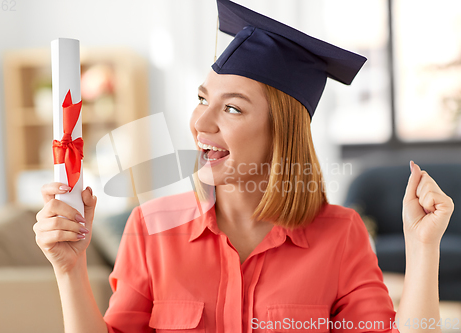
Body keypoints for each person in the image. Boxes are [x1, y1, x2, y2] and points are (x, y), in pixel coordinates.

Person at [34, 1, 454, 332]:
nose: (200, 123)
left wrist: (422, 248)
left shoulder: (341, 236)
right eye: (202, 100)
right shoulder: (150, 230)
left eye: (232, 108)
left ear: (280, 135)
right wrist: (69, 270)